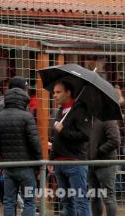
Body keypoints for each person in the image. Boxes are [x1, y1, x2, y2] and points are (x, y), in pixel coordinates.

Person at [0, 82, 42, 216]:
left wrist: (0, 162)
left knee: (9, 201)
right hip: (26, 166)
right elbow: (34, 143)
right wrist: (39, 163)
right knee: (29, 201)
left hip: (8, 166)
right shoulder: (27, 117)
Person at [49, 81, 91, 216]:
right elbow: (57, 138)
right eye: (54, 92)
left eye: (58, 92)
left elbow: (85, 135)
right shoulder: (60, 111)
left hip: (75, 162)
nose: (54, 95)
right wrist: (52, 158)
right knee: (66, 201)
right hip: (59, 163)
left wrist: (64, 131)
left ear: (68, 93)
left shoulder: (80, 110)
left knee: (80, 200)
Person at [87, 118, 120, 216]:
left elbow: (115, 140)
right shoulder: (89, 119)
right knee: (95, 196)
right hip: (92, 163)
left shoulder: (108, 119)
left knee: (108, 197)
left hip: (106, 164)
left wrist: (99, 151)